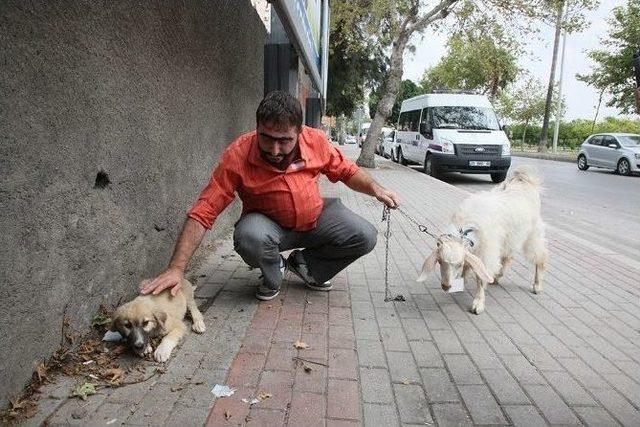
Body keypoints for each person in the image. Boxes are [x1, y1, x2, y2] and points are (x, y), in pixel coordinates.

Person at [141, 91, 400, 301]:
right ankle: (274, 270)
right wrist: (176, 268)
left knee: (365, 235)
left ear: (300, 132)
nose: (274, 150)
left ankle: (306, 266)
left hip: (316, 219)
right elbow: (205, 209)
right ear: (257, 128)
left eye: (284, 141)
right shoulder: (238, 155)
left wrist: (376, 189)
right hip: (268, 228)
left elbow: (347, 171)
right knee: (249, 237)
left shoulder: (317, 141)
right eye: (266, 139)